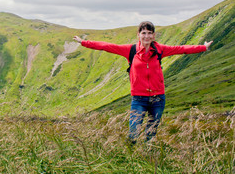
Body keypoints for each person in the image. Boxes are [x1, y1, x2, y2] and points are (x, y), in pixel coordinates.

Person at [73, 21, 213, 144]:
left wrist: (203, 47)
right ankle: (130, 157)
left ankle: (149, 158)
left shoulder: (160, 50)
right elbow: (106, 46)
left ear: (154, 35)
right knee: (133, 133)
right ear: (139, 35)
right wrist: (83, 42)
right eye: (144, 33)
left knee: (151, 134)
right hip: (139, 99)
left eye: (149, 33)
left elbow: (181, 49)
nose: (147, 36)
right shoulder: (131, 50)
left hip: (158, 98)